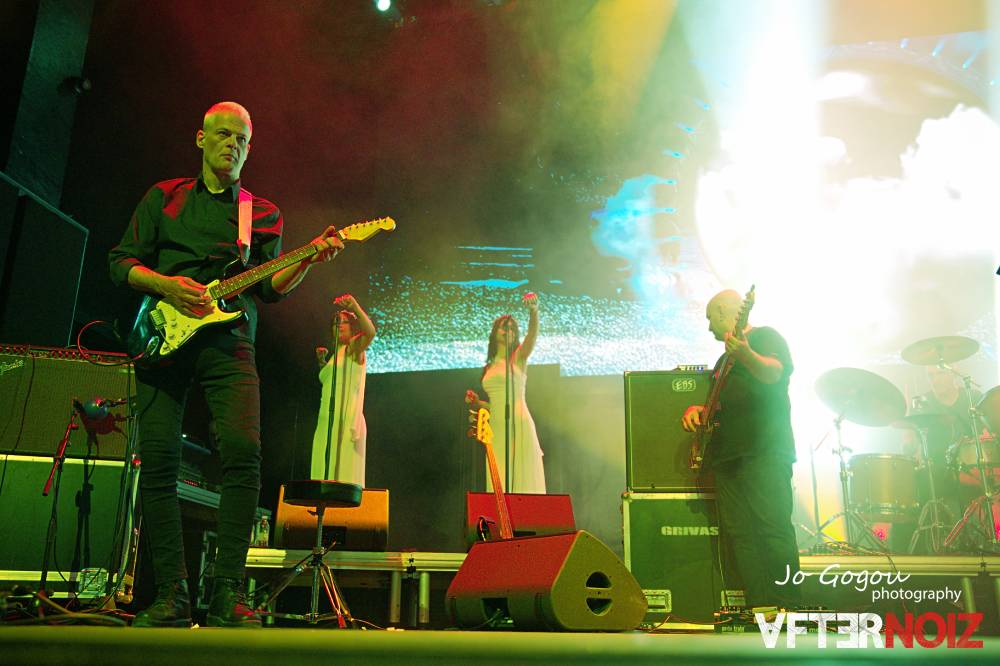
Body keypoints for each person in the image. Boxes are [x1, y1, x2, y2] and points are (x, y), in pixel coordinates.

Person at [108, 101, 343, 628]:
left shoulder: (260, 214)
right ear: (201, 138)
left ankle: (226, 595)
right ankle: (171, 595)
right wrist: (168, 285)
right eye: (223, 135)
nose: (232, 145)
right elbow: (120, 263)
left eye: (242, 139)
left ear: (249, 149)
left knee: (242, 454)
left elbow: (270, 288)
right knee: (159, 461)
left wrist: (307, 259)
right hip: (161, 337)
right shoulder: (164, 197)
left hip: (230, 341)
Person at [681, 289, 800, 609]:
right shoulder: (723, 361)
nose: (708, 326)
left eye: (710, 318)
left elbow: (774, 373)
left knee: (773, 529)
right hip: (727, 458)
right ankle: (759, 608)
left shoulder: (766, 337)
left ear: (724, 312)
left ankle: (788, 606)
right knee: (741, 535)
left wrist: (746, 353)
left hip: (765, 452)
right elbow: (722, 405)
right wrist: (698, 411)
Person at [465, 292, 546, 494]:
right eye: (504, 327)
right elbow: (496, 405)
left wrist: (534, 312)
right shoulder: (489, 366)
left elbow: (532, 337)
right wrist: (478, 403)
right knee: (498, 480)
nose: (508, 331)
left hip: (519, 423)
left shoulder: (518, 357)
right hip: (496, 429)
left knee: (522, 481)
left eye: (512, 329)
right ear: (495, 332)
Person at [311, 294, 376, 485]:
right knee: (324, 470)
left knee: (343, 476)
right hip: (326, 420)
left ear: (352, 327)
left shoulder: (353, 348)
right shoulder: (336, 356)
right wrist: (322, 362)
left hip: (345, 420)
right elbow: (332, 382)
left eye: (343, 322)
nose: (338, 325)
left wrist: (354, 306)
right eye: (335, 323)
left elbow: (370, 332)